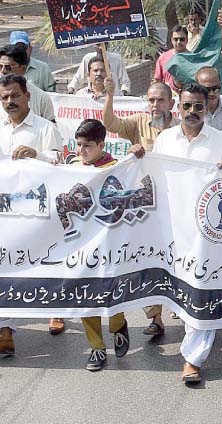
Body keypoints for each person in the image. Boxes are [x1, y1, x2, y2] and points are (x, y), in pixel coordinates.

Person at [150, 83, 222, 384]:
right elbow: (152, 178)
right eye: (187, 106)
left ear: (206, 107)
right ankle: (164, 320)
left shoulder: (220, 141)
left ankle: (192, 360)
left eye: (198, 106)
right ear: (178, 107)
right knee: (175, 287)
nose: (192, 112)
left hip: (206, 231)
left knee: (200, 286)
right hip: (170, 228)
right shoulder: (164, 139)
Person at [0, 73, 62, 352]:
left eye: (14, 95)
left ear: (27, 96)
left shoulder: (44, 128)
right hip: (5, 212)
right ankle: (5, 330)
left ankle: (56, 308)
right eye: (4, 97)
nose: (9, 101)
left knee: (37, 264)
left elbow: (60, 161)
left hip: (35, 214)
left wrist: (35, 155)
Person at [66, 119, 130, 371]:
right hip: (80, 245)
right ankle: (97, 348)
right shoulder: (71, 166)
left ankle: (118, 325)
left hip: (108, 244)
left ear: (101, 145)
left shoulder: (117, 168)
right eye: (79, 145)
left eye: (88, 146)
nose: (82, 151)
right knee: (85, 295)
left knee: (110, 291)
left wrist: (137, 155)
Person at [103, 78, 175, 154]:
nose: (155, 105)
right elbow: (110, 124)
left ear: (171, 104)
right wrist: (110, 96)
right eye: (151, 100)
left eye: (161, 100)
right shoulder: (139, 121)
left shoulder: (181, 128)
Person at [0, 44, 55, 121]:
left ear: (23, 69)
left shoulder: (41, 99)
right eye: (0, 66)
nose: (3, 71)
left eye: (8, 67)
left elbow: (51, 129)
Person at [152, 26, 188, 93]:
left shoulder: (192, 58)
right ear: (171, 40)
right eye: (175, 39)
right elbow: (157, 81)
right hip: (168, 97)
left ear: (187, 40)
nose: (178, 42)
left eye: (182, 39)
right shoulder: (163, 58)